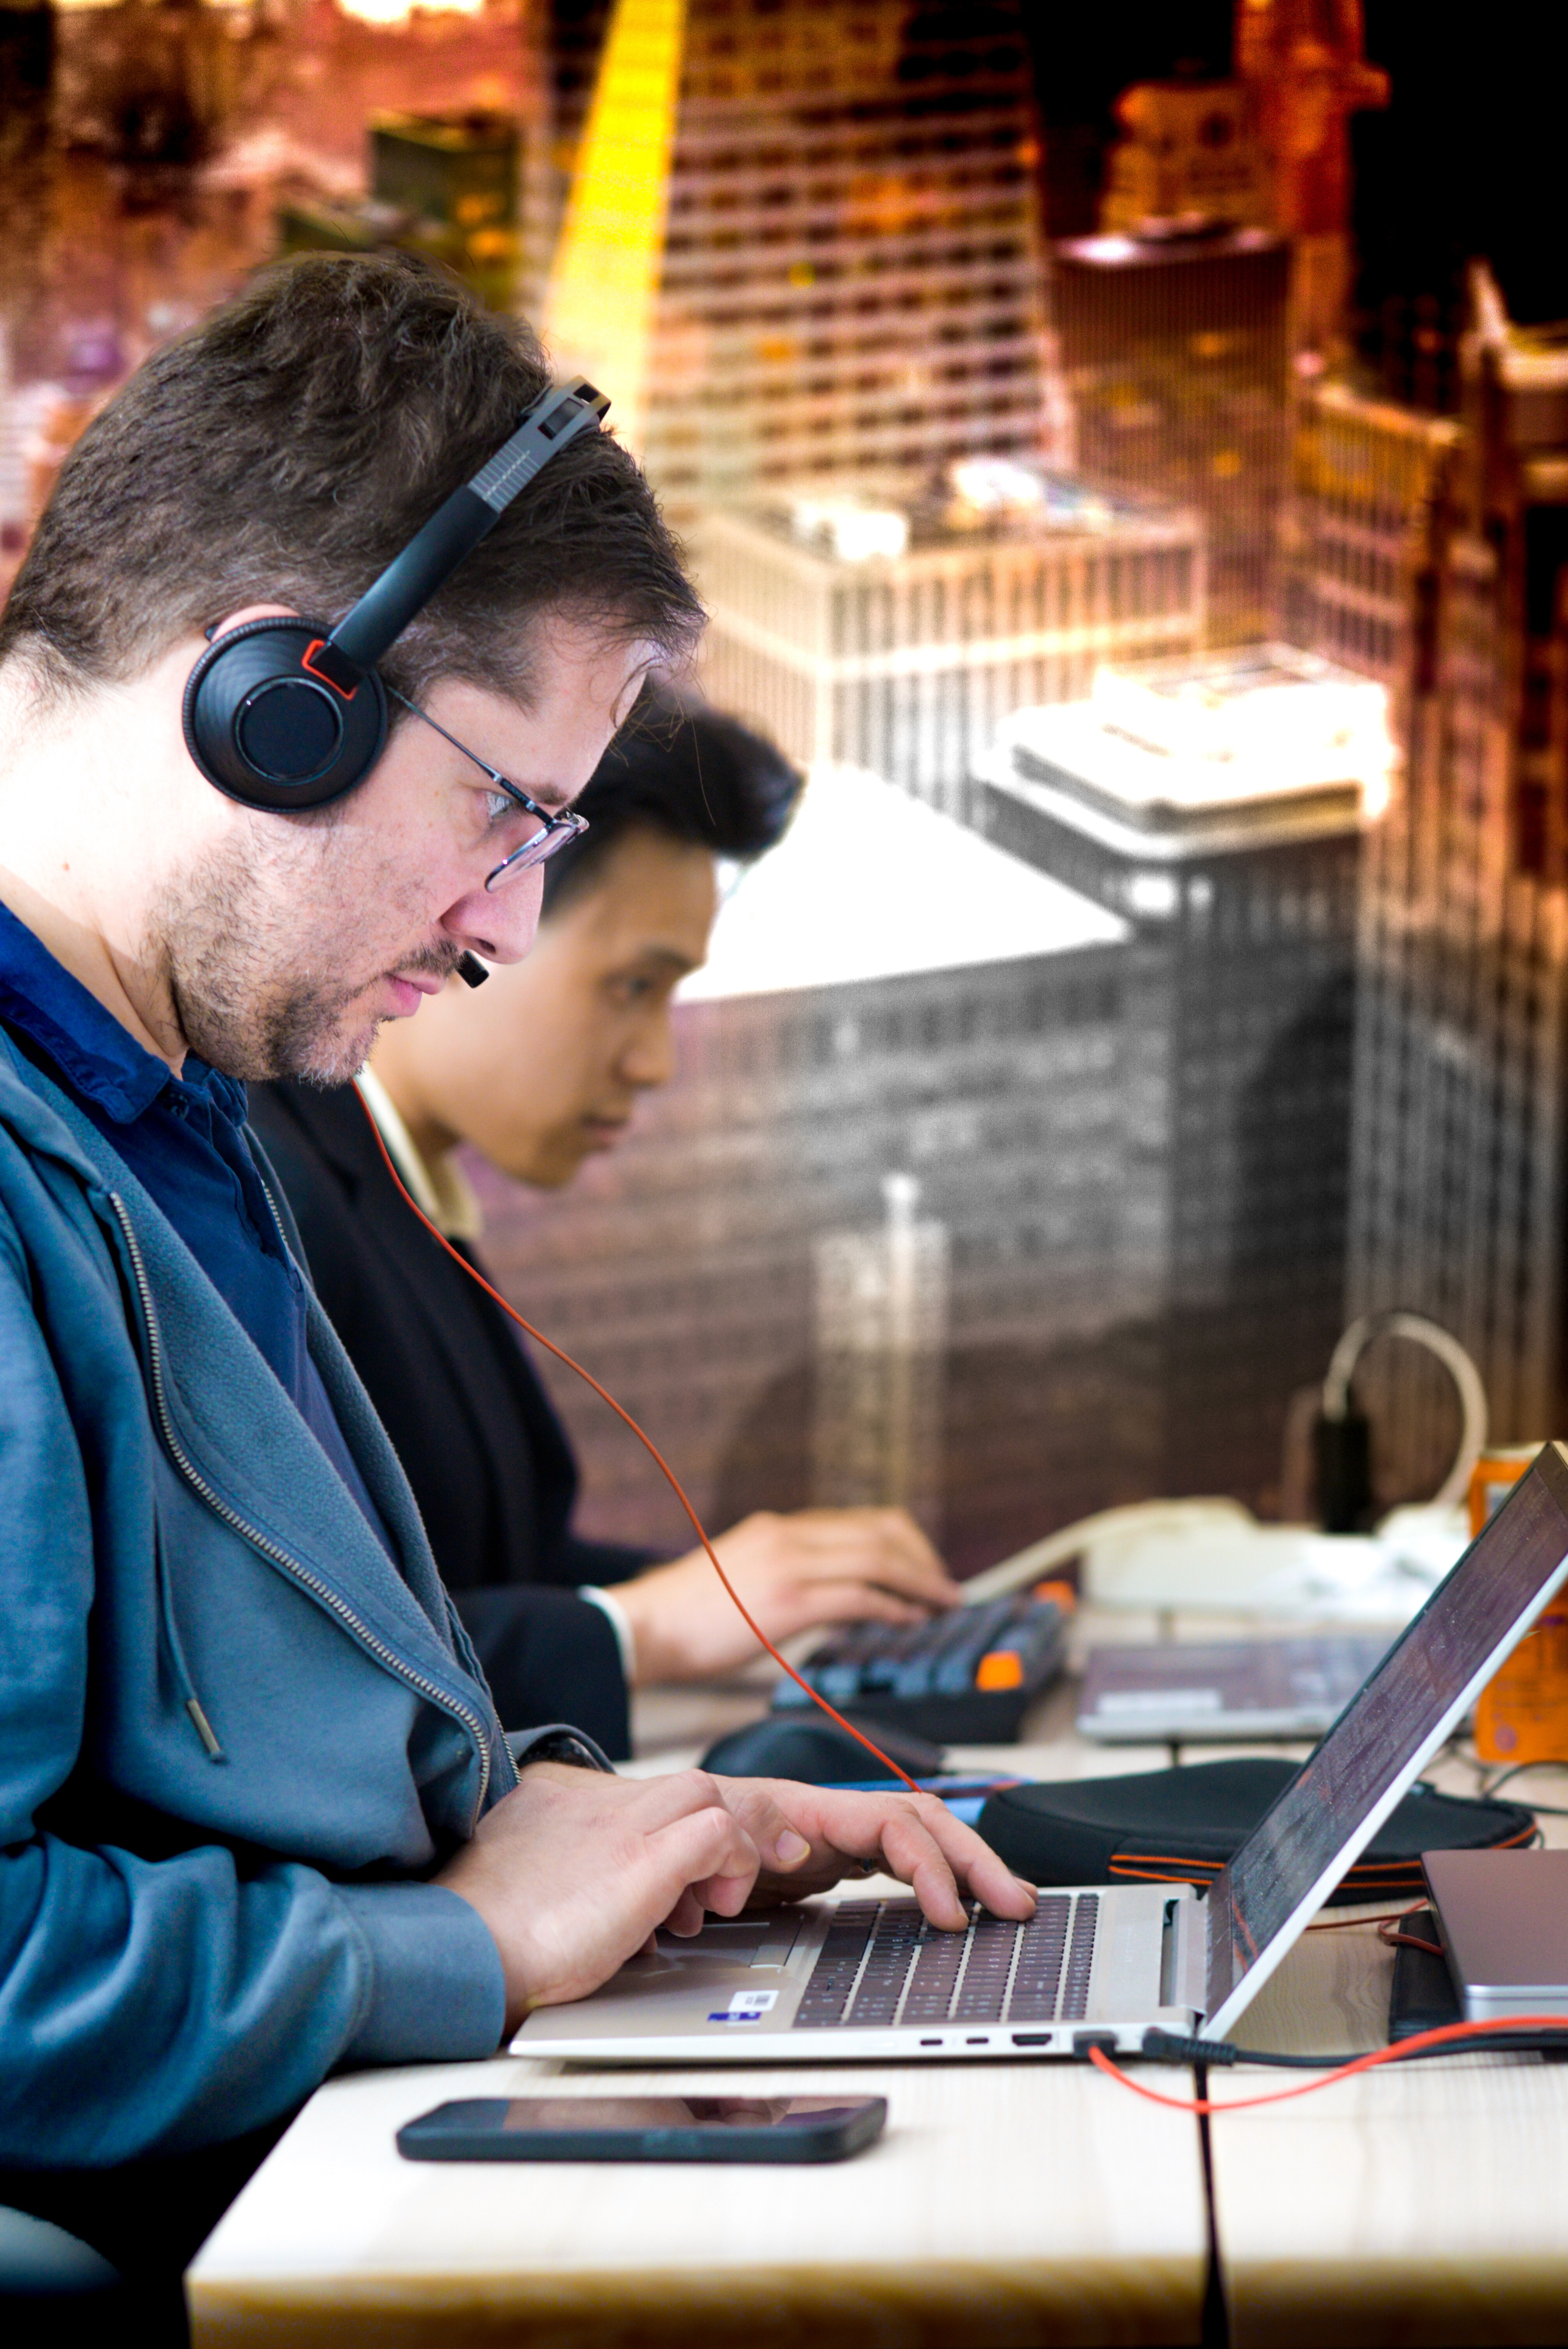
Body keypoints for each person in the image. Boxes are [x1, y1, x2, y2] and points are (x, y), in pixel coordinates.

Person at [0, 254, 1031, 2307]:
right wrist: (465, 1945)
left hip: (357, 2167)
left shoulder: (170, 1102)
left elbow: (258, 1744)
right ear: (274, 696)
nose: (502, 925)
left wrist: (623, 1836)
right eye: (505, 809)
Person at [249, 695, 961, 1758]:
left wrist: (753, 1602)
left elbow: (494, 1567)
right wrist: (649, 1627)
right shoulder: (275, 1204)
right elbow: (291, 1671)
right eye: (631, 986)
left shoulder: (382, 1175)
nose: (655, 1062)